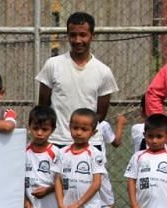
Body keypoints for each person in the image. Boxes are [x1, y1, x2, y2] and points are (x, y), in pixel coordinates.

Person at [36, 11, 118, 148]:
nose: (78, 40)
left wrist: (82, 133)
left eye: (83, 35)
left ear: (92, 36)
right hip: (57, 142)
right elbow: (43, 107)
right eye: (73, 35)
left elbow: (100, 114)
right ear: (68, 36)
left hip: (90, 144)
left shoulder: (104, 72)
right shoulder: (52, 65)